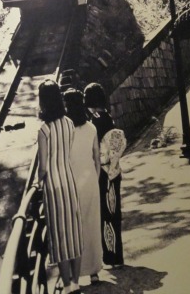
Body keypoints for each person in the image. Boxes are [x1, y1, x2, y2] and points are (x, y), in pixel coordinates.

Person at [37, 79, 83, 294]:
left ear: (43, 101)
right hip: (69, 180)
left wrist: (39, 181)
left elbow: (43, 167)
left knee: (59, 234)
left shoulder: (44, 130)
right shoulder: (69, 123)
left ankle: (66, 285)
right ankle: (76, 281)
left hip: (53, 186)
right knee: (74, 231)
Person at [63, 88, 103, 285]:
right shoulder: (92, 128)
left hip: (71, 183)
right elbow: (97, 158)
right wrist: (95, 179)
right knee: (92, 226)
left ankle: (75, 275)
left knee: (74, 229)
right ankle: (94, 271)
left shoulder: (64, 130)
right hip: (90, 183)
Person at [84, 82, 125, 267]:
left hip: (102, 173)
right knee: (114, 213)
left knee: (106, 216)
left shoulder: (95, 121)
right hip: (114, 171)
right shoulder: (107, 116)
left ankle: (111, 256)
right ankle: (117, 256)